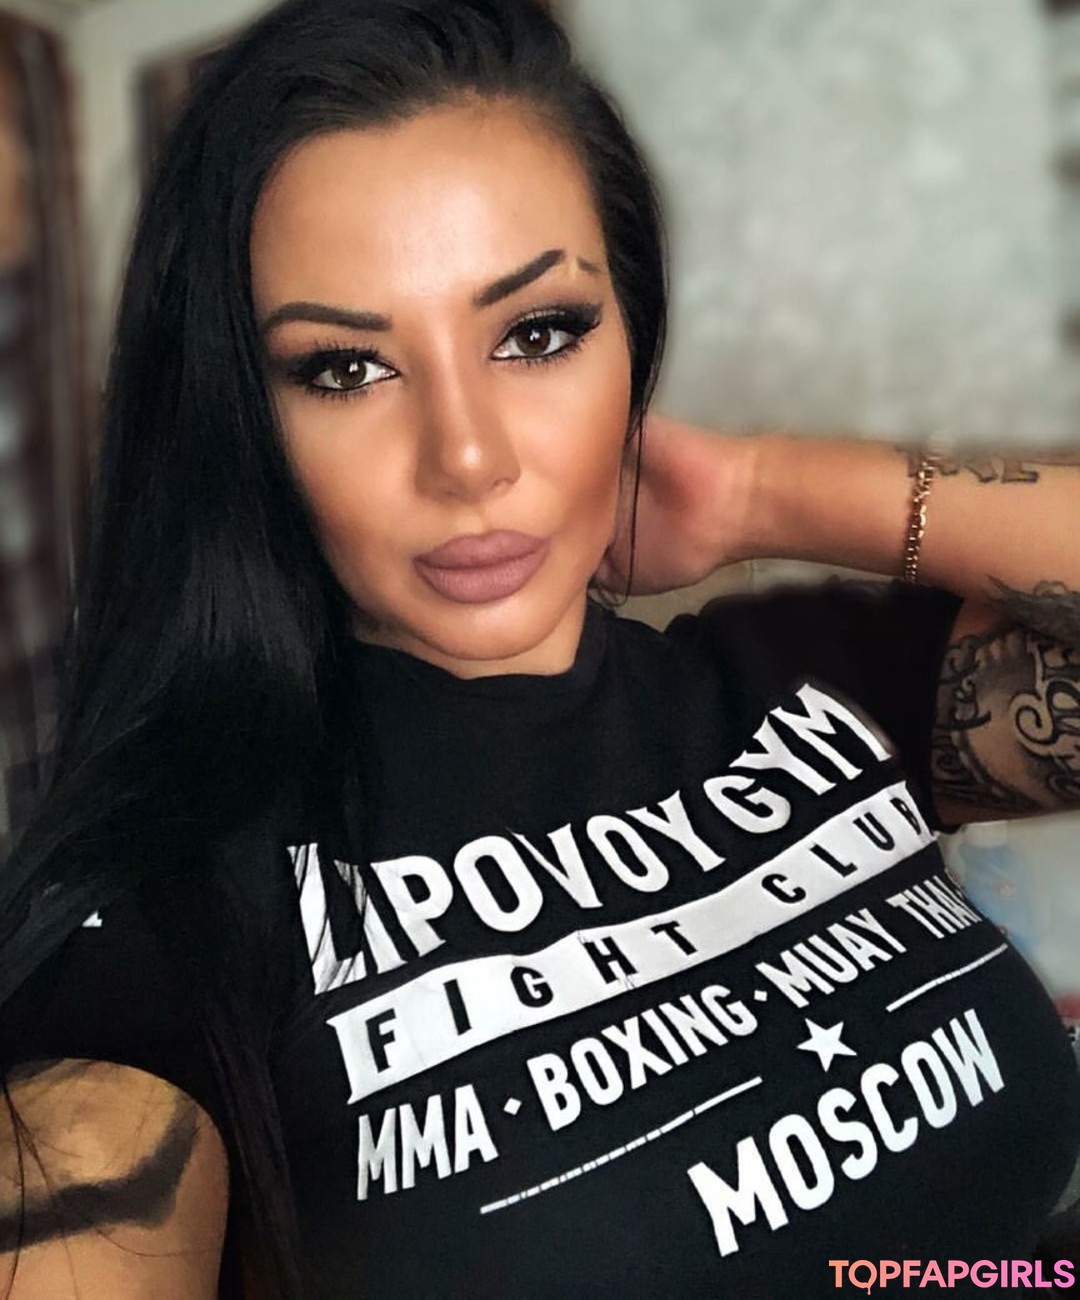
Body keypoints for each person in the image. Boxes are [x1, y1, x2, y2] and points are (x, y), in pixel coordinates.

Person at [1, 0, 1079, 1295]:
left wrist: (765, 493)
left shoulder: (803, 682)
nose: (468, 458)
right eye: (343, 369)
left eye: (538, 334)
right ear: (241, 422)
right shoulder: (163, 927)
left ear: (633, 335)